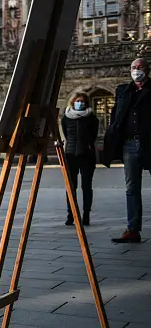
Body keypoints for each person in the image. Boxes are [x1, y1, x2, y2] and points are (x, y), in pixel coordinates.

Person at [103, 58, 151, 243]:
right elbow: (116, 114)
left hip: (149, 143)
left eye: (140, 67)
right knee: (132, 188)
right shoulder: (123, 91)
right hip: (129, 144)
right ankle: (133, 229)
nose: (136, 70)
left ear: (147, 69)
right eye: (133, 68)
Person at [62, 92, 98, 227]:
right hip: (70, 155)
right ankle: (71, 214)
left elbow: (93, 135)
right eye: (77, 101)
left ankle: (86, 214)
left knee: (86, 186)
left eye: (82, 101)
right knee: (71, 186)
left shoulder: (91, 118)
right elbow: (65, 134)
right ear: (72, 102)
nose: (80, 103)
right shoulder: (66, 118)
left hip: (87, 155)